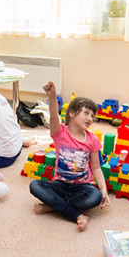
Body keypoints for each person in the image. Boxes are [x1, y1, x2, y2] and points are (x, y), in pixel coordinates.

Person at [28, 81, 109, 231]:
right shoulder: (60, 133)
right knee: (35, 186)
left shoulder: (93, 140)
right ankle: (76, 214)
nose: (90, 118)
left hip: (83, 187)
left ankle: (53, 207)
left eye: (92, 115)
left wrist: (103, 189)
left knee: (95, 197)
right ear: (72, 114)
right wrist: (52, 97)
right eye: (86, 113)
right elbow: (53, 117)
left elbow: (96, 167)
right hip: (61, 184)